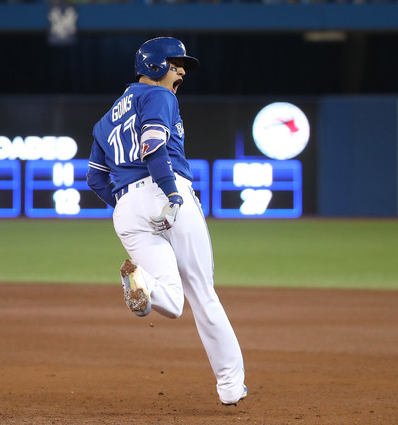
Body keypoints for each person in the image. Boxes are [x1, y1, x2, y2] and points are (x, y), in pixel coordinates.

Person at [86, 36, 247, 406]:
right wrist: (170, 194)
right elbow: (153, 146)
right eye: (176, 62)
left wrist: (127, 203)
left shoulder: (105, 119)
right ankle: (230, 387)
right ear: (155, 65)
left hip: (125, 208)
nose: (183, 70)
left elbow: (95, 178)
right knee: (203, 294)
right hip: (166, 192)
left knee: (172, 302)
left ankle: (140, 283)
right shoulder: (159, 96)